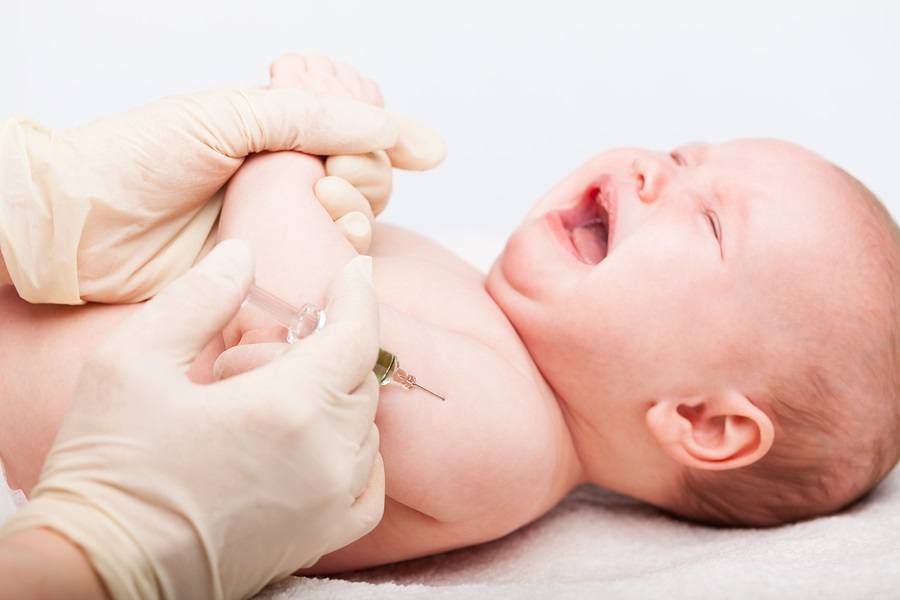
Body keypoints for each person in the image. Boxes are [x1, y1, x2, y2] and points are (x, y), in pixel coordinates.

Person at [5, 53, 900, 578]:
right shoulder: (485, 312)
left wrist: (279, 160)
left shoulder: (510, 446)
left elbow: (304, 337)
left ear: (703, 423)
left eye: (708, 221)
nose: (653, 174)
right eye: (681, 153)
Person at [0, 61, 445, 600]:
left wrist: (281, 160)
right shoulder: (468, 282)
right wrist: (36, 200)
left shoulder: (523, 432)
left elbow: (290, 340)